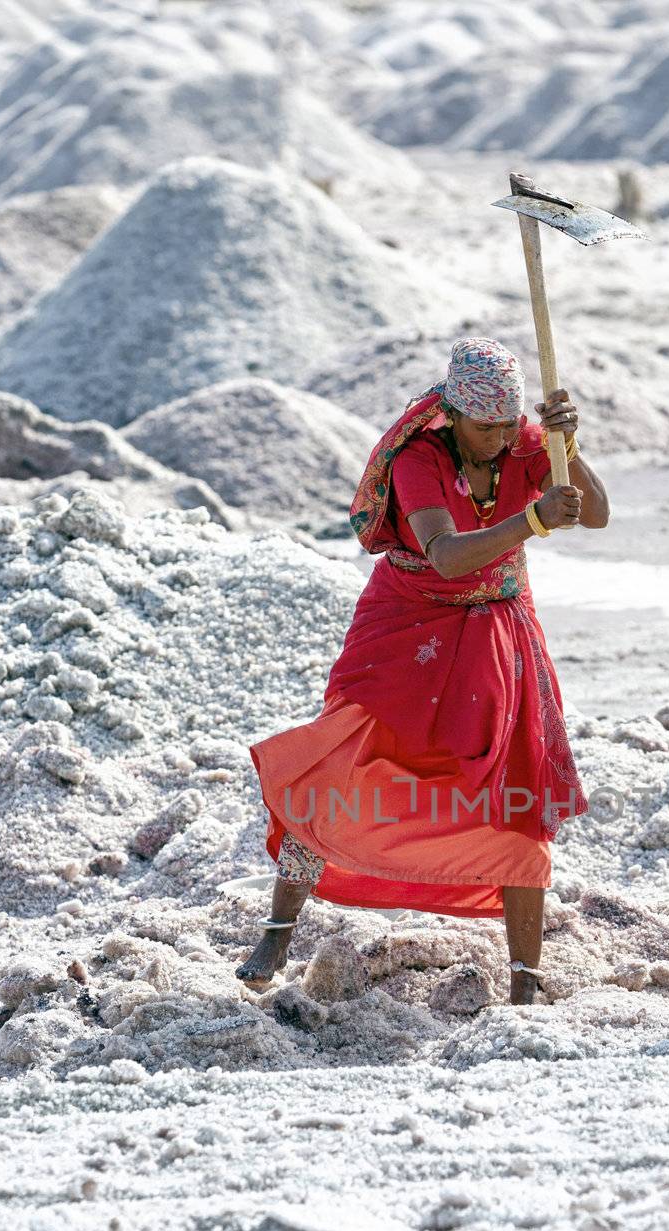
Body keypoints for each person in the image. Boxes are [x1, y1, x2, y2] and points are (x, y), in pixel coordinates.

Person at [237, 336, 609, 1005]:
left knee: (510, 785)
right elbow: (444, 555)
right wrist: (531, 518)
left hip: (497, 633)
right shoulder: (419, 458)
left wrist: (568, 453)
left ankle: (525, 977)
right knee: (342, 757)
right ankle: (278, 925)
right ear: (453, 414)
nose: (498, 438)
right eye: (484, 425)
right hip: (404, 629)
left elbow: (597, 515)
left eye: (508, 424)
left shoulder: (528, 446)